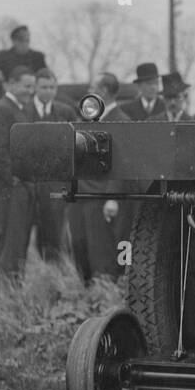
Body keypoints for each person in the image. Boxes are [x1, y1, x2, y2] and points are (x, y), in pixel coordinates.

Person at [67, 73, 129, 280]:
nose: (88, 91)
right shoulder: (89, 118)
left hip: (101, 197)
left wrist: (113, 197)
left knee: (101, 249)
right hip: (82, 195)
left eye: (92, 87)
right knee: (81, 245)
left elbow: (122, 163)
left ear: (103, 91)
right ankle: (87, 291)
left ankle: (104, 293)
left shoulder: (120, 121)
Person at [0, 65, 35, 281]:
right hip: (10, 184)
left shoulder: (20, 108)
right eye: (26, 86)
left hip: (21, 182)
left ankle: (13, 281)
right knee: (11, 234)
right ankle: (7, 285)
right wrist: (13, 179)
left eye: (32, 86)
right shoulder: (2, 109)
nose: (30, 91)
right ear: (12, 84)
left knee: (18, 234)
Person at [28, 68, 76, 264]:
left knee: (55, 225)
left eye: (52, 87)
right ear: (35, 88)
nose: (48, 91)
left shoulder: (65, 112)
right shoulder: (24, 110)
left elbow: (74, 144)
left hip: (55, 181)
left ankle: (55, 266)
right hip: (29, 179)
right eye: (44, 87)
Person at [0, 25, 48, 96]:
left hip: (33, 96)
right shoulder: (4, 57)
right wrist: (2, 85)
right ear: (14, 41)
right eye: (22, 40)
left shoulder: (37, 57)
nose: (25, 44)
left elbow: (47, 77)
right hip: (12, 96)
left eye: (27, 40)